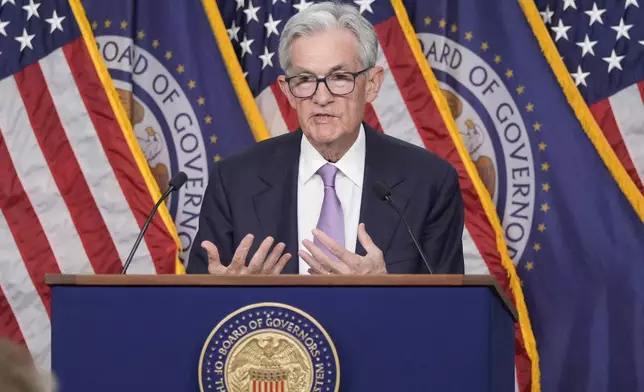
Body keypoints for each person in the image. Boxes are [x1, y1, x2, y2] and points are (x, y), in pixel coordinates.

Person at [187, 1, 464, 275]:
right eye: (305, 79)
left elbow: (450, 311)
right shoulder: (234, 181)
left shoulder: (429, 183)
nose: (322, 97)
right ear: (288, 90)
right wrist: (227, 297)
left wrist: (386, 292)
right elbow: (195, 308)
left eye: (340, 77)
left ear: (372, 84)